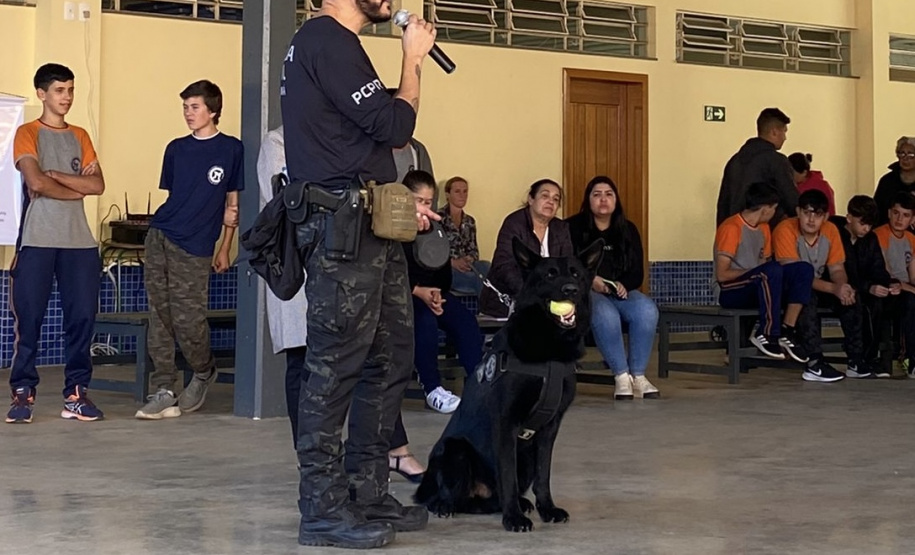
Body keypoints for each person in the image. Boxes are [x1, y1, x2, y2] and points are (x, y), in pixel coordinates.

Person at [280, 0, 438, 547]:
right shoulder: (328, 40)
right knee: (333, 367)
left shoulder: (332, 45)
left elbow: (357, 146)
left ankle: (366, 491)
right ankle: (321, 509)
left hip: (371, 221)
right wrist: (412, 62)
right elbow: (394, 127)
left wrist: (399, 205)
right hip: (342, 233)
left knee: (390, 354)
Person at [135, 80, 243, 420]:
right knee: (160, 316)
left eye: (194, 107)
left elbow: (233, 204)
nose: (188, 114)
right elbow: (175, 195)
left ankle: (203, 369)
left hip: (196, 245)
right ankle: (164, 387)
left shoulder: (231, 149)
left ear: (212, 110)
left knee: (188, 318)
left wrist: (225, 247)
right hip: (161, 234)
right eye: (185, 107)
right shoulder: (176, 148)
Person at [7, 63, 105, 424]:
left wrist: (58, 178)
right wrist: (72, 187)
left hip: (79, 243)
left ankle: (76, 394)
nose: (67, 97)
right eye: (60, 91)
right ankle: (22, 392)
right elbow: (35, 182)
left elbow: (97, 186)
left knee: (81, 318)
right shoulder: (27, 132)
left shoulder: (80, 135)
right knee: (29, 320)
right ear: (42, 94)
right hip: (38, 240)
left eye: (70, 90)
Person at [566, 176, 659, 400]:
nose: (603, 200)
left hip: (620, 291)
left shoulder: (628, 229)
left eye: (608, 194)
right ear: (588, 200)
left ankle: (638, 376)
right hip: (588, 291)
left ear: (616, 200)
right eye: (596, 195)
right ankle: (621, 375)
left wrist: (623, 284)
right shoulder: (572, 227)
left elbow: (637, 271)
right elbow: (568, 265)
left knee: (647, 310)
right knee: (605, 314)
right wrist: (591, 280)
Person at [402, 170, 483, 412]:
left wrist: (435, 294)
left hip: (435, 295)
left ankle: (479, 387)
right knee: (425, 323)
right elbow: (389, 274)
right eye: (419, 201)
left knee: (466, 322)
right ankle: (432, 388)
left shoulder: (436, 230)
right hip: (405, 296)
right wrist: (419, 292)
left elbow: (443, 273)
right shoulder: (393, 229)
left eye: (428, 202)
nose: (424, 207)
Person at [254, 126, 311, 444]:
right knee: (300, 358)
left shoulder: (335, 134)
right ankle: (307, 448)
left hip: (335, 264)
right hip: (293, 257)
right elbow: (286, 199)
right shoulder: (277, 142)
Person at [713, 183, 811, 364]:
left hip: (759, 284)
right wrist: (757, 272)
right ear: (766, 209)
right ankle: (767, 332)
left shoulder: (764, 228)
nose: (774, 213)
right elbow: (722, 275)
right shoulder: (731, 228)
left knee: (803, 269)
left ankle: (787, 330)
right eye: (774, 209)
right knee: (770, 271)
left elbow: (766, 265)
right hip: (731, 290)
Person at [774, 189, 865, 383]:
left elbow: (837, 268)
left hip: (819, 284)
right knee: (807, 297)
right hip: (788, 290)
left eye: (817, 215)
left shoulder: (831, 230)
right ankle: (814, 362)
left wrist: (842, 287)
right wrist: (833, 288)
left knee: (852, 298)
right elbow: (797, 276)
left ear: (826, 217)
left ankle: (855, 360)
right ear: (798, 212)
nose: (811, 220)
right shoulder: (784, 229)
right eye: (807, 213)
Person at [479, 179, 572, 318]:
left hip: (550, 299)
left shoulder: (561, 228)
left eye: (556, 199)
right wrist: (531, 293)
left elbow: (567, 264)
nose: (551, 202)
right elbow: (504, 265)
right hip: (508, 300)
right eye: (545, 196)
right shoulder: (514, 223)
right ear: (531, 199)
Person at [828, 196, 894, 378]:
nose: (866, 228)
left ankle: (869, 359)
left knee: (879, 304)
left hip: (865, 289)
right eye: (862, 223)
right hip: (838, 288)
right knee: (854, 302)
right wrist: (869, 287)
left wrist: (886, 285)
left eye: (870, 224)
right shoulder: (836, 234)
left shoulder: (870, 239)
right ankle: (856, 360)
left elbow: (878, 268)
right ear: (849, 217)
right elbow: (842, 271)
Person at [716, 107, 798, 228]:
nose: (785, 137)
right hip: (764, 234)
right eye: (784, 132)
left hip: (731, 232)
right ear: (774, 131)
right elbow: (792, 202)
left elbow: (723, 204)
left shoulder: (734, 160)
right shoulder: (776, 161)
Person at [872, 193, 915, 376]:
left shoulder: (912, 239)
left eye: (905, 215)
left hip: (905, 288)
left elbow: (913, 276)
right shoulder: (879, 235)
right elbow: (885, 273)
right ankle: (910, 359)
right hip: (887, 289)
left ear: (912, 219)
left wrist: (909, 287)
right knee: (910, 302)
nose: (899, 219)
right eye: (896, 213)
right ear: (889, 213)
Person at [439, 176, 491, 295]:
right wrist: (452, 262)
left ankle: (485, 300)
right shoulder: (438, 219)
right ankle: (484, 304)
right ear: (447, 194)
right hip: (447, 268)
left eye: (465, 191)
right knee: (475, 280)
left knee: (486, 266)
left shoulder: (469, 221)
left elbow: (474, 250)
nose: (462, 195)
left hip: (467, 267)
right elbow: (432, 253)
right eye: (457, 191)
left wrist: (469, 259)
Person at [874, 137, 915, 226]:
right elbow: (877, 211)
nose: (905, 159)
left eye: (911, 155)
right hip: (888, 233)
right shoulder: (887, 181)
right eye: (902, 154)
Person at [789, 152, 836, 216]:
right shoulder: (789, 184)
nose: (789, 175)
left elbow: (830, 213)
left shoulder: (822, 186)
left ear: (804, 173)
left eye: (792, 173)